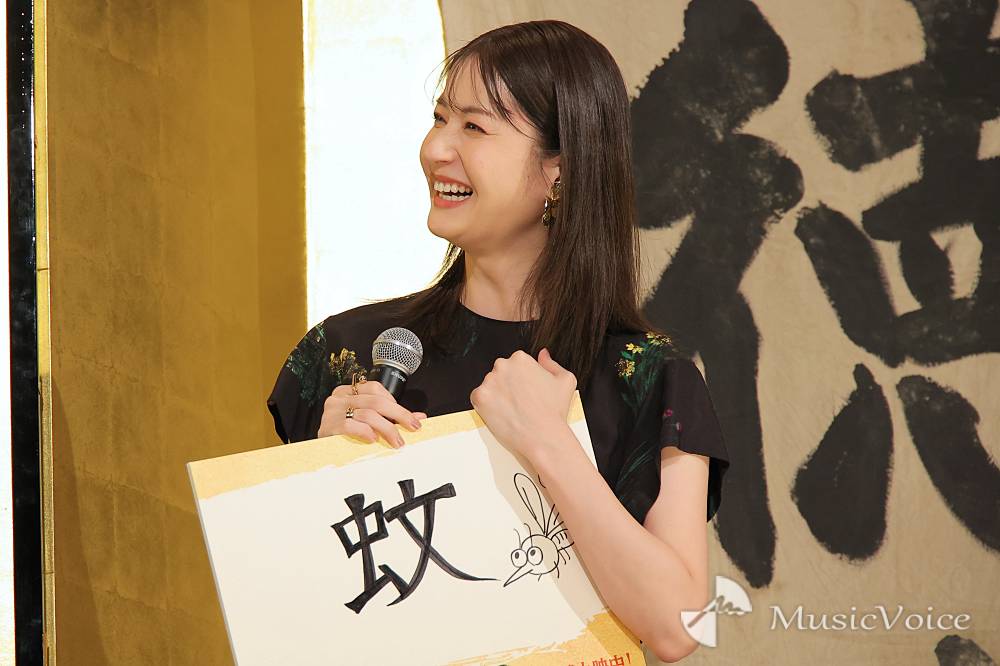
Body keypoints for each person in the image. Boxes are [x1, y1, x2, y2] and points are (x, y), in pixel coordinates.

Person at [267, 19, 730, 663]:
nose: (436, 148)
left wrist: (550, 443)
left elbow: (678, 628)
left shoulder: (648, 377)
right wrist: (319, 472)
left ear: (558, 170)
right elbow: (281, 607)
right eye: (439, 118)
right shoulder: (347, 353)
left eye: (474, 127)